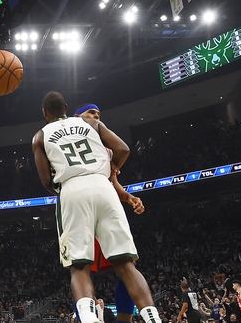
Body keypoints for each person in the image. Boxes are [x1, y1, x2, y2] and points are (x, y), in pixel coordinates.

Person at [31, 91, 162, 323]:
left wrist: (64, 188)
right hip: (103, 186)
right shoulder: (90, 123)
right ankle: (153, 318)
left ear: (44, 113)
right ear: (67, 108)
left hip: (72, 189)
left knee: (79, 267)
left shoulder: (39, 136)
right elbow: (123, 149)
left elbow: (45, 181)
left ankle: (90, 320)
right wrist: (110, 169)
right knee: (125, 265)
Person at [73, 104, 143, 323]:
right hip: (81, 209)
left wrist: (129, 197)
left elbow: (115, 184)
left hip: (104, 208)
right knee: (83, 268)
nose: (95, 116)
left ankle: (124, 320)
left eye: (98, 115)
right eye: (91, 113)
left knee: (126, 265)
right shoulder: (65, 140)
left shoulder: (105, 150)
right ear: (77, 117)